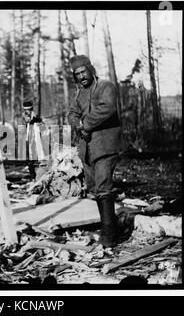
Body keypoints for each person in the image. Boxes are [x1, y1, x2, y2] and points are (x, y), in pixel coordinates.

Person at [68, 55, 125, 247]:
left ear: (91, 69)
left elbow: (107, 108)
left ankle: (109, 235)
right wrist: (77, 123)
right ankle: (109, 227)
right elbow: (72, 113)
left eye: (84, 71)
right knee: (94, 188)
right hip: (88, 147)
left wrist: (85, 124)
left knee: (103, 187)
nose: (82, 76)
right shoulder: (79, 93)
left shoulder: (106, 86)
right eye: (77, 74)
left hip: (106, 144)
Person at [21, 96, 42, 179]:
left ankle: (38, 176)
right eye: (26, 110)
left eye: (29, 109)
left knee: (37, 158)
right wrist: (31, 120)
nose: (28, 111)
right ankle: (33, 177)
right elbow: (26, 121)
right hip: (28, 138)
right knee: (29, 160)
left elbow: (39, 121)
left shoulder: (34, 113)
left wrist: (37, 119)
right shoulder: (24, 115)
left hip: (36, 138)